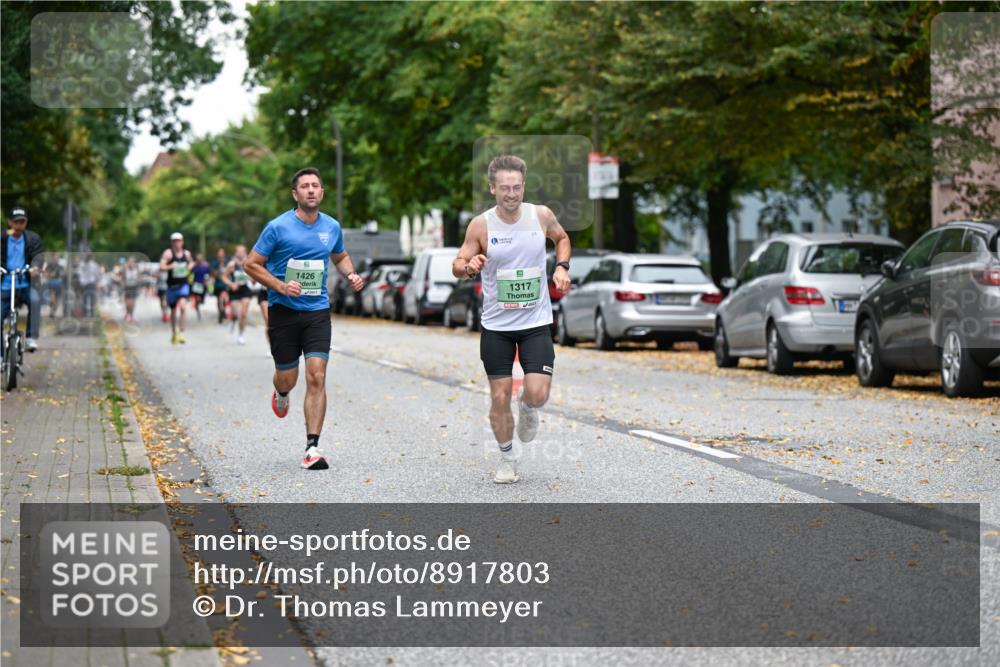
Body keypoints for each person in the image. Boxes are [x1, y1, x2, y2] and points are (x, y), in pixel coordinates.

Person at [452, 155, 571, 484]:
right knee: (499, 396)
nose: (511, 193)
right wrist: (469, 265)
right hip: (497, 326)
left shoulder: (541, 215)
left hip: (535, 322)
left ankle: (529, 407)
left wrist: (562, 267)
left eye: (516, 187)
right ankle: (507, 458)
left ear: (523, 186)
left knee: (537, 392)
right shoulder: (481, 225)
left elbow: (562, 239)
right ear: (492, 188)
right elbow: (458, 263)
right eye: (504, 188)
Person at [245, 167, 364, 470]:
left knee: (317, 375)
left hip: (317, 312)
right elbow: (251, 264)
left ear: (322, 192)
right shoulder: (277, 227)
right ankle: (281, 391)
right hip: (283, 312)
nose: (311, 190)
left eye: (316, 186)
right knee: (289, 377)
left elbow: (339, 255)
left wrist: (350, 273)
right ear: (295, 194)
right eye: (305, 186)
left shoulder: (332, 227)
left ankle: (313, 447)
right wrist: (281, 286)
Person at [1, 205, 43, 352]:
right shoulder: (2, 238)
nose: (19, 225)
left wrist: (35, 267)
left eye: (22, 222)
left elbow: (38, 256)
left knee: (35, 300)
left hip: (25, 284)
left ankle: (30, 337)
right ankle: (0, 356)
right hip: (5, 286)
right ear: (9, 222)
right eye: (16, 222)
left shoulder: (32, 239)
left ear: (26, 223)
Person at [159, 232, 194, 344]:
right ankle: (174, 331)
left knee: (183, 307)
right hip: (171, 286)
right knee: (173, 310)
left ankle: (181, 330)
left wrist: (188, 268)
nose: (177, 243)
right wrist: (170, 266)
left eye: (179, 241)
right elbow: (161, 266)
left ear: (182, 242)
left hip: (183, 284)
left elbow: (191, 263)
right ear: (172, 243)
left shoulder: (186, 254)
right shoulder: (168, 254)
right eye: (175, 241)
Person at [223, 245, 253, 345]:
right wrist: (231, 284)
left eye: (243, 252)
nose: (241, 254)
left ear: (245, 252)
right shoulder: (232, 264)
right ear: (236, 253)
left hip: (245, 290)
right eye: (239, 252)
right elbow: (224, 277)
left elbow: (253, 277)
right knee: (236, 313)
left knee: (243, 314)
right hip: (235, 291)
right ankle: (233, 319)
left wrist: (252, 279)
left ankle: (241, 335)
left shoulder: (248, 263)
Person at [211, 247, 231, 324]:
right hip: (218, 284)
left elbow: (230, 272)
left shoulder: (227, 262)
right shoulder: (215, 263)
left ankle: (223, 311)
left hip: (225, 284)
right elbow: (213, 273)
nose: (221, 256)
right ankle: (221, 312)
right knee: (219, 300)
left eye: (222, 255)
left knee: (223, 298)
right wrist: (220, 268)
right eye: (219, 255)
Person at [190, 253, 211, 321]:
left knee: (202, 300)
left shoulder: (205, 267)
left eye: (200, 260)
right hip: (196, 285)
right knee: (197, 298)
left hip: (203, 285)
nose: (199, 261)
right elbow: (190, 272)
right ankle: (197, 309)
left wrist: (207, 281)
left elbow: (208, 274)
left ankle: (199, 303)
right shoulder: (195, 266)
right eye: (197, 260)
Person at [120, 256, 141, 323]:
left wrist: (139, 284)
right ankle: (128, 314)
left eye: (133, 262)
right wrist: (123, 285)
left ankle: (131, 315)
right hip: (127, 287)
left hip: (134, 287)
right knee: (128, 303)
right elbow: (122, 278)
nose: (131, 263)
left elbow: (139, 277)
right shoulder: (125, 269)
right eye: (130, 262)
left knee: (133, 303)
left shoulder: (137, 269)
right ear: (128, 262)